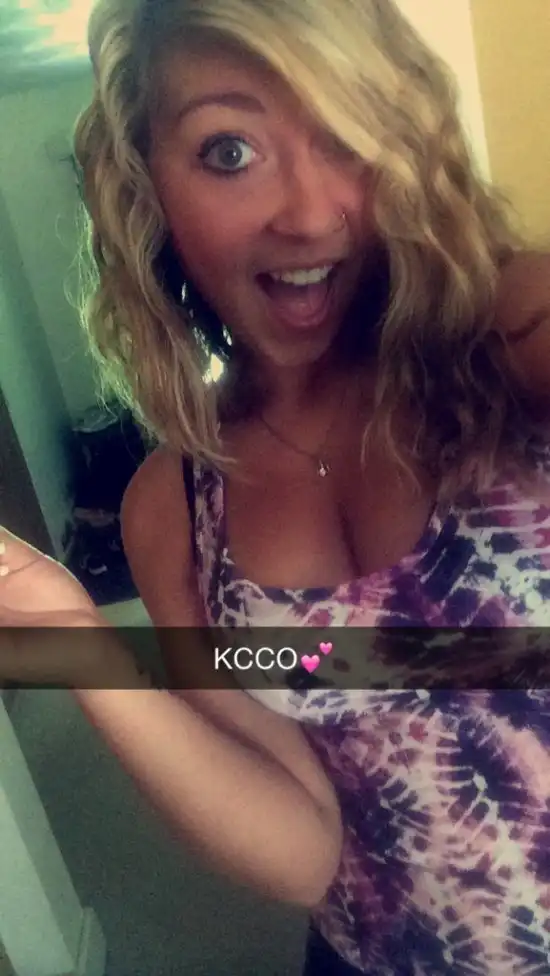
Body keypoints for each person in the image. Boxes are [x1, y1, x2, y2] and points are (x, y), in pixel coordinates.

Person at [2, 0, 550, 971]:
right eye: (230, 152)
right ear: (145, 186)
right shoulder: (174, 511)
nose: (309, 213)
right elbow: (303, 854)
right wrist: (70, 638)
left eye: (348, 134)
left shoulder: (512, 337)